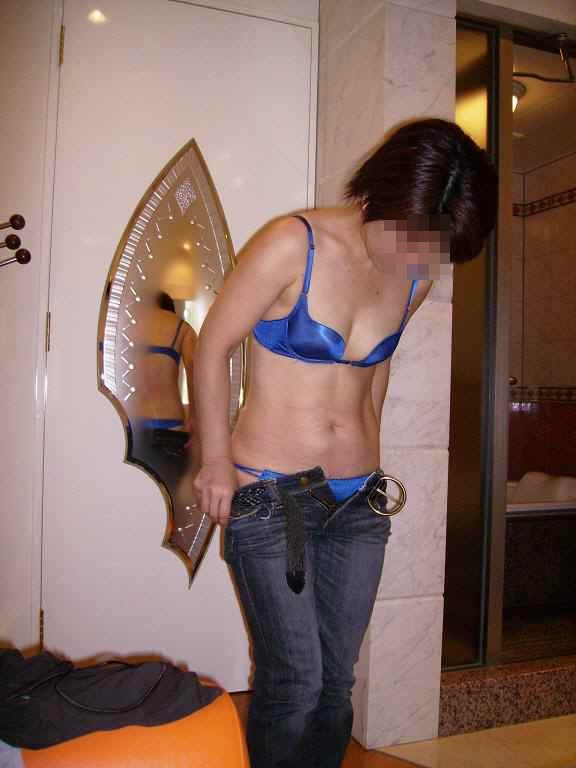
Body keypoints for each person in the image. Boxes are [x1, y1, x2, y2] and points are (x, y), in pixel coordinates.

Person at [193, 118, 497, 768]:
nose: (418, 262)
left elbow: (375, 370)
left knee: (336, 682)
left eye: (435, 251)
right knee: (295, 680)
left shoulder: (417, 280)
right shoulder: (292, 243)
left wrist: (372, 461)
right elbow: (211, 346)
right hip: (275, 499)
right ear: (380, 193)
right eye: (411, 240)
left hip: (358, 504)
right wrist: (214, 459)